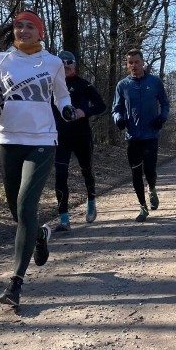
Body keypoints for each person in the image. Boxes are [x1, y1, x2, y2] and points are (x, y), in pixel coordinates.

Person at [0, 11, 76, 308]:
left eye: (30, 26)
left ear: (40, 32)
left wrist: (67, 110)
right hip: (9, 141)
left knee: (26, 204)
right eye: (19, 26)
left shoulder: (53, 63)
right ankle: (40, 236)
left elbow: (61, 96)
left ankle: (15, 283)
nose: (23, 30)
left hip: (43, 140)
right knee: (18, 215)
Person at [112, 49, 170, 222]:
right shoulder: (123, 85)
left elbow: (165, 104)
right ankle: (143, 207)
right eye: (130, 62)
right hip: (132, 136)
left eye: (137, 62)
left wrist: (162, 118)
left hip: (151, 135)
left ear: (143, 62)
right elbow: (116, 108)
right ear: (127, 64)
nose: (134, 66)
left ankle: (152, 188)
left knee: (150, 171)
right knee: (136, 173)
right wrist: (119, 120)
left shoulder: (154, 82)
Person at [52, 51, 106, 231]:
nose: (65, 67)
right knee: (60, 175)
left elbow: (101, 105)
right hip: (60, 137)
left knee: (86, 171)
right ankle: (64, 217)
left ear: (74, 65)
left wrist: (84, 112)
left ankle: (91, 200)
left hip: (81, 135)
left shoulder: (83, 85)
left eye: (69, 63)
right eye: (61, 64)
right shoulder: (50, 86)